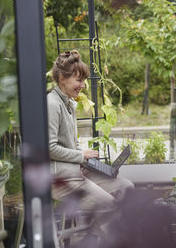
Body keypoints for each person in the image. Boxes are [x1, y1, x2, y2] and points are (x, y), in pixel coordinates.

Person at [47, 50, 134, 233]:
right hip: (60, 179)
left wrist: (83, 160)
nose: (83, 85)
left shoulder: (69, 103)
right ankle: (101, 240)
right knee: (109, 205)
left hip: (76, 170)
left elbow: (70, 143)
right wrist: (80, 155)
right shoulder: (52, 104)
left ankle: (103, 236)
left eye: (84, 80)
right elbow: (49, 148)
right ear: (62, 78)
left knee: (126, 188)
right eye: (79, 80)